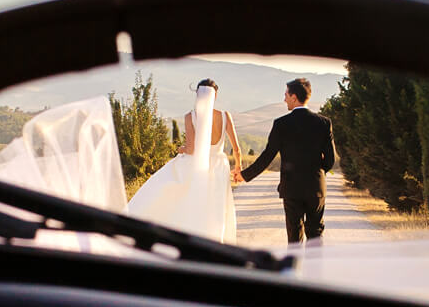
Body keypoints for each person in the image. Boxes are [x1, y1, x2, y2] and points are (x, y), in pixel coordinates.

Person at [124, 79, 240, 243]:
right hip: (220, 166)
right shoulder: (225, 116)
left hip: (198, 165)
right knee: (217, 205)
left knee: (186, 198)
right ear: (215, 95)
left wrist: (180, 149)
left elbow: (191, 149)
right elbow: (237, 149)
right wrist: (238, 167)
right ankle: (217, 240)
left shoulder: (190, 116)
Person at [234, 78, 335, 246]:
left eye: (286, 95)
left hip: (291, 188)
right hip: (315, 187)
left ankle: (293, 270)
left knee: (294, 237)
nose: (284, 99)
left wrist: (245, 175)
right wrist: (317, 172)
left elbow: (267, 156)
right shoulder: (324, 123)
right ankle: (314, 270)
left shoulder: (281, 124)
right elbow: (330, 160)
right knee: (316, 235)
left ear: (294, 97)